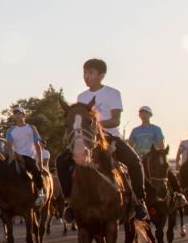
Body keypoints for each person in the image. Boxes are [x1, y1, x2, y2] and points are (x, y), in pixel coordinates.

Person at [56, 58, 149, 222]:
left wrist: (94, 125)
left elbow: (115, 120)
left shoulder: (112, 93)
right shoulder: (82, 96)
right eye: (84, 73)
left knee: (135, 162)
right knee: (61, 161)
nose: (86, 76)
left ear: (101, 75)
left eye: (90, 73)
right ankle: (69, 202)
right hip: (86, 140)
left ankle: (138, 201)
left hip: (109, 137)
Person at [4, 106, 46, 206]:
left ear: (24, 115)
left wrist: (40, 163)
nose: (17, 116)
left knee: (36, 172)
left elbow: (38, 146)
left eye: (19, 113)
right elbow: (9, 146)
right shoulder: (10, 130)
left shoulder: (31, 128)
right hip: (16, 156)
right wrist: (11, 157)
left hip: (29, 157)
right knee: (4, 172)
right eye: (15, 114)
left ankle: (41, 194)